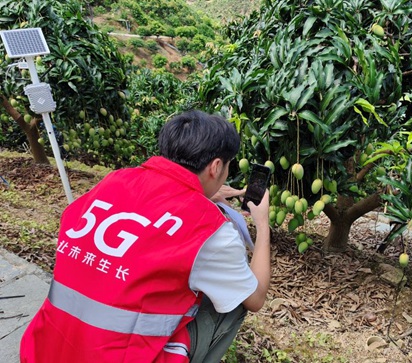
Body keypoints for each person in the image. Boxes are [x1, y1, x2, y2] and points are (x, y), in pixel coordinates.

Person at [20, 110, 271, 363]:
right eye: (227, 166)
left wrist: (202, 194)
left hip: (43, 349)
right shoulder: (209, 227)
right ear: (216, 167)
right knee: (236, 299)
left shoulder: (115, 180)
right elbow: (255, 298)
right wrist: (262, 226)